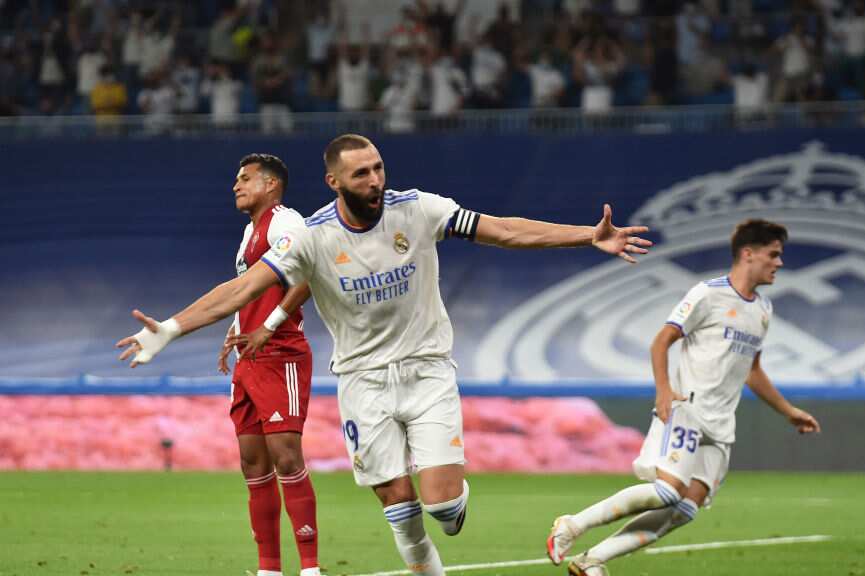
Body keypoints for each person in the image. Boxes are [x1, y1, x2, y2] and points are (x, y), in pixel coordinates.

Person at [116, 134, 653, 575]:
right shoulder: (312, 237)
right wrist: (170, 328)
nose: (375, 180)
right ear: (335, 182)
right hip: (362, 382)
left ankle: (450, 496)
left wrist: (587, 236)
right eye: (361, 174)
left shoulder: (418, 210)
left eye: (377, 168)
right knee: (402, 513)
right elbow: (241, 290)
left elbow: (503, 230)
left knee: (442, 508)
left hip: (426, 372)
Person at [546, 219, 821, 576]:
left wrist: (788, 411)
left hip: (721, 425)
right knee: (667, 492)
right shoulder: (707, 294)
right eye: (774, 254)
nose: (779, 263)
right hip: (687, 406)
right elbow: (662, 340)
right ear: (748, 254)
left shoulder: (763, 310)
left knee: (684, 509)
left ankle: (591, 562)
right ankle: (572, 525)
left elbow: (752, 370)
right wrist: (663, 390)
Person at [223, 154, 324, 576]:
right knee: (252, 461)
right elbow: (247, 290)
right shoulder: (250, 231)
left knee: (286, 457)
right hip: (249, 355)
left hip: (281, 350)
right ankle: (268, 569)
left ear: (271, 185)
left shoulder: (286, 221)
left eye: (245, 178)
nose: (236, 185)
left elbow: (309, 274)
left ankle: (311, 568)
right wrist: (232, 331)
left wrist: (269, 325)